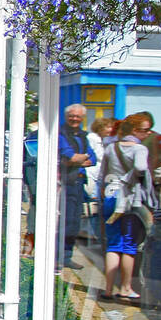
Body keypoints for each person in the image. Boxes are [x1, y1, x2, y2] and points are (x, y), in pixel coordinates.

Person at [99, 114, 156, 301]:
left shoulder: (110, 147)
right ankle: (125, 287)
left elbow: (102, 175)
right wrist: (129, 179)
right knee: (129, 245)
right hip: (130, 199)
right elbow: (140, 168)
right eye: (145, 129)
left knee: (113, 244)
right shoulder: (139, 149)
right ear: (134, 130)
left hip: (110, 194)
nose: (148, 133)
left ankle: (107, 289)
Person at [57, 103, 97, 272]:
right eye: (71, 115)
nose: (74, 119)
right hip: (65, 183)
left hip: (79, 182)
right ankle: (56, 258)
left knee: (74, 223)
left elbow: (92, 158)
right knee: (62, 222)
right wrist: (75, 159)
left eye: (78, 116)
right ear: (66, 116)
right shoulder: (60, 133)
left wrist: (80, 158)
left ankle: (67, 257)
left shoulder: (83, 135)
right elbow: (68, 156)